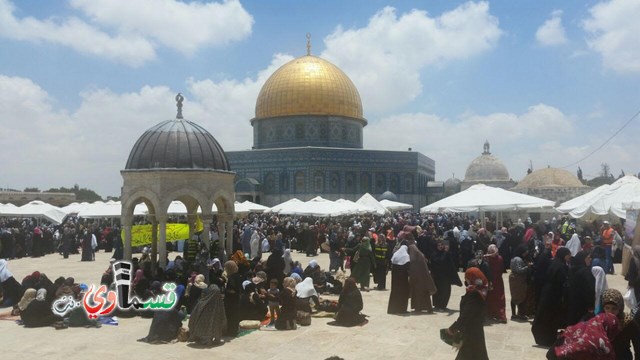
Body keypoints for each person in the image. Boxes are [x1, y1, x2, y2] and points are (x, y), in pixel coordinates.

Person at [532, 247, 572, 347]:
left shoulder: (556, 263)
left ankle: (546, 338)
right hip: (553, 296)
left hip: (548, 293)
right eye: (568, 255)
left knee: (548, 317)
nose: (569, 257)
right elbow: (560, 281)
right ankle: (547, 339)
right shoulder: (560, 266)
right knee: (549, 317)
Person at [447, 267, 489, 360]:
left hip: (470, 331)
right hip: (476, 329)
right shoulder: (480, 289)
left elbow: (466, 315)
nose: (465, 279)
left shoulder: (474, 294)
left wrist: (454, 328)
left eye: (467, 277)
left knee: (469, 355)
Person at [406, 233, 437, 313]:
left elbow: (412, 260)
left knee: (418, 291)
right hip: (422, 273)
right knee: (423, 291)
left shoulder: (412, 248)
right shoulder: (415, 248)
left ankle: (419, 307)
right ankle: (424, 307)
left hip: (417, 273)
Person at [431, 240, 462, 311]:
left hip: (445, 276)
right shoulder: (434, 254)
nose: (440, 246)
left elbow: (450, 264)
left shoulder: (447, 254)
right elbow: (436, 262)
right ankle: (437, 305)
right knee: (437, 291)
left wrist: (446, 252)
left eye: (441, 245)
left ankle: (442, 305)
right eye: (439, 245)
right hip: (436, 276)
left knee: (445, 291)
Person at [566, 250, 595, 326]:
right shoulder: (585, 272)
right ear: (583, 259)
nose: (590, 259)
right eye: (588, 258)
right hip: (583, 306)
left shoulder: (572, 269)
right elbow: (590, 290)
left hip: (572, 304)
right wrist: (591, 306)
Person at [485, 244, 506, 323]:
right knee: (500, 297)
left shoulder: (487, 258)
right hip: (498, 280)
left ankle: (491, 314)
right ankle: (501, 315)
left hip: (490, 280)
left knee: (490, 297)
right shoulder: (500, 258)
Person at [388, 245, 410, 314]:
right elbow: (408, 268)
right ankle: (402, 309)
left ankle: (392, 309)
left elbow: (392, 263)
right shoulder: (406, 256)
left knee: (394, 293)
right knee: (403, 294)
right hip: (403, 280)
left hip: (395, 280)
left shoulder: (395, 254)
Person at [509, 246, 530, 321]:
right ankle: (520, 314)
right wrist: (527, 267)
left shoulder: (513, 258)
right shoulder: (518, 259)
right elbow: (519, 270)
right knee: (520, 295)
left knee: (514, 295)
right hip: (518, 279)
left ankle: (514, 314)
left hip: (514, 278)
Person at [223, 260, 242, 337]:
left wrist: (226, 291)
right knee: (235, 315)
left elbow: (232, 289)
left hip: (231, 300)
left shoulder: (231, 277)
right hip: (236, 299)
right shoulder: (238, 275)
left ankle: (231, 332)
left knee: (230, 316)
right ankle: (234, 331)